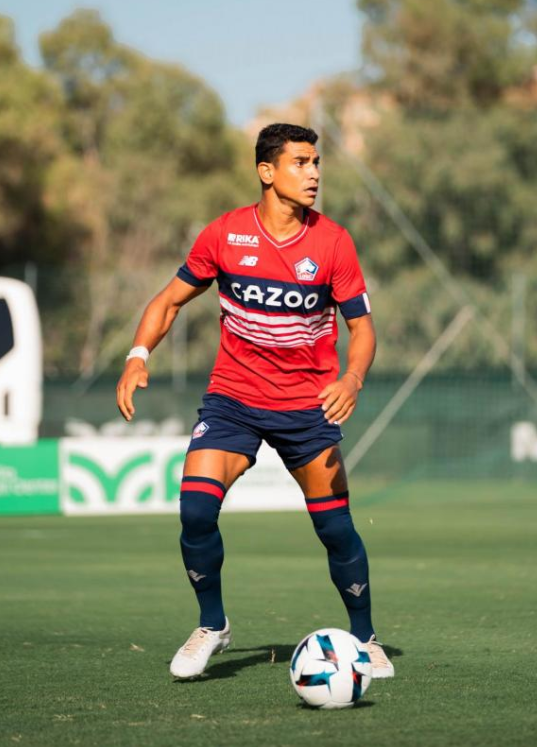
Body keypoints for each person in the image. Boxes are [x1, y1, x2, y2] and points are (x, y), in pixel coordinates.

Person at [116, 123, 393, 680]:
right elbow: (168, 301)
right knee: (195, 510)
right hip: (233, 399)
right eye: (300, 163)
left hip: (308, 407)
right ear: (267, 171)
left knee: (335, 530)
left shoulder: (333, 242)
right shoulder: (225, 234)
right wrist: (137, 355)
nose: (313, 174)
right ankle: (212, 625)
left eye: (316, 163)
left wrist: (352, 379)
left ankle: (365, 639)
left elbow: (362, 328)